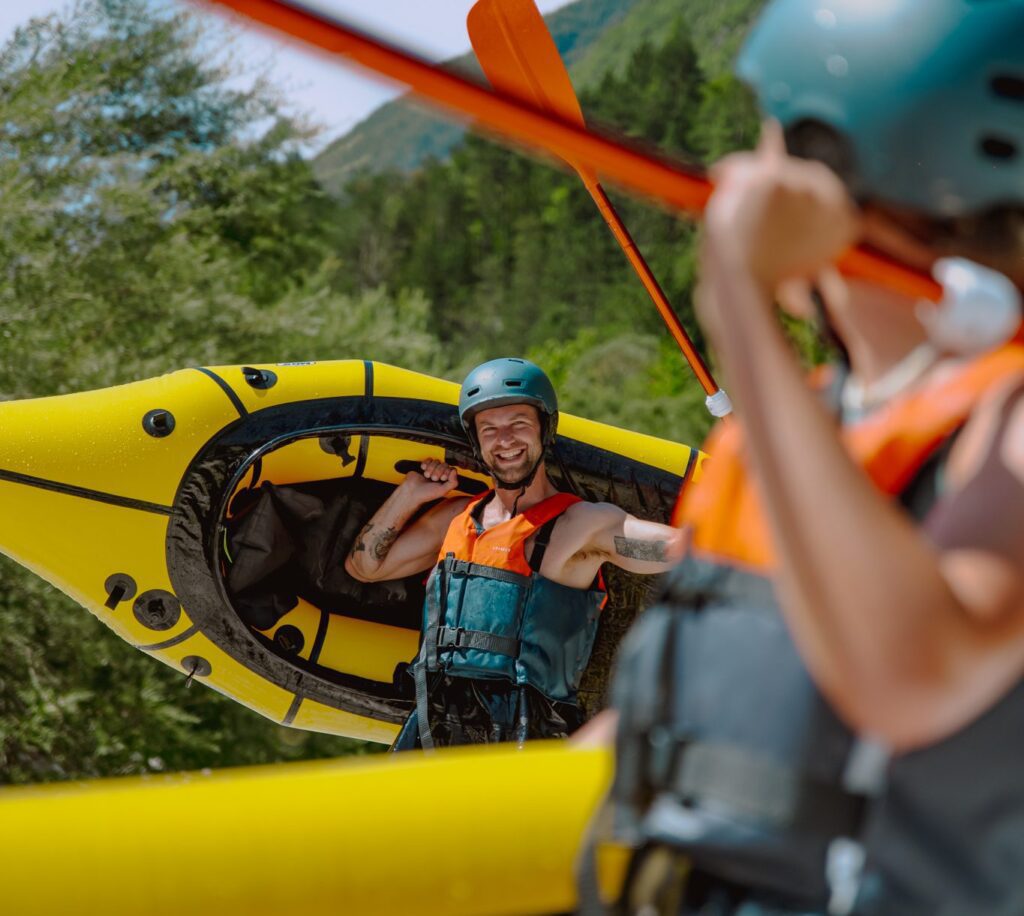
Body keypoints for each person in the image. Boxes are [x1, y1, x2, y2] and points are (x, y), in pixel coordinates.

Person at [589, 1, 1024, 913]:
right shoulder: (796, 427)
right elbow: (685, 718)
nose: (732, 175)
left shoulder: (1008, 421)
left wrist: (742, 307)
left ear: (838, 169)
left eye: (767, 145)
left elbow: (912, 676)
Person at [345, 357, 682, 750]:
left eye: (519, 424)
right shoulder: (456, 518)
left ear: (545, 429)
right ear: (476, 441)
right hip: (434, 727)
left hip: (531, 734)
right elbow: (365, 567)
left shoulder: (581, 526)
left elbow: (681, 549)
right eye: (489, 429)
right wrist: (409, 495)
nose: (504, 440)